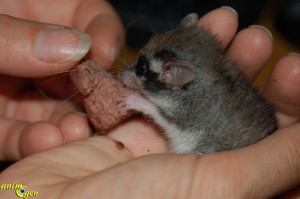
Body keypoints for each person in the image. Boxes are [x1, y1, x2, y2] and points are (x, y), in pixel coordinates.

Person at [0, 1, 300, 198]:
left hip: (215, 145)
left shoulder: (192, 104)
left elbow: (183, 129)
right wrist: (16, 190)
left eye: (142, 69)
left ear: (172, 75)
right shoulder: (189, 83)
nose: (129, 71)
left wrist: (143, 105)